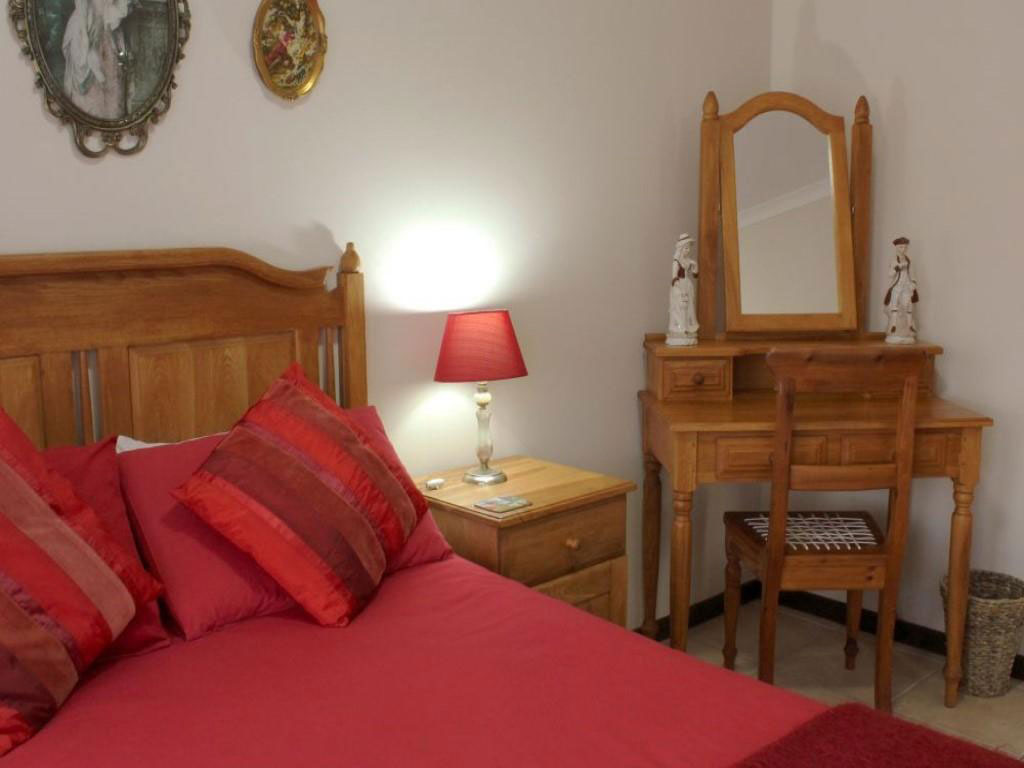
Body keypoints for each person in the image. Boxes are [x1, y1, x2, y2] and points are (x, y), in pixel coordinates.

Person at [62, 0, 133, 120]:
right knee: (91, 98)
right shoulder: (82, 16)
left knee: (112, 91)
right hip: (88, 27)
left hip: (108, 28)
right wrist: (86, 35)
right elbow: (82, 6)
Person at [884, 236, 919, 344]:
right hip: (897, 286)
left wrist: (913, 283)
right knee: (894, 305)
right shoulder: (894, 260)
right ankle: (893, 325)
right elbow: (890, 274)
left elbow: (912, 274)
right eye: (901, 247)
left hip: (906, 286)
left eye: (905, 247)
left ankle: (909, 326)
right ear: (896, 247)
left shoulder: (909, 261)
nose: (903, 249)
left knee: (908, 305)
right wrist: (897, 268)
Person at [667, 234, 699, 346]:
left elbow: (695, 275)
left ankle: (689, 328)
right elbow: (674, 278)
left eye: (689, 248)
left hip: (688, 285)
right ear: (680, 248)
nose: (688, 250)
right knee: (680, 308)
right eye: (686, 248)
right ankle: (679, 329)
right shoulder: (676, 262)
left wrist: (695, 265)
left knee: (690, 307)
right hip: (679, 286)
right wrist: (680, 291)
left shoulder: (688, 261)